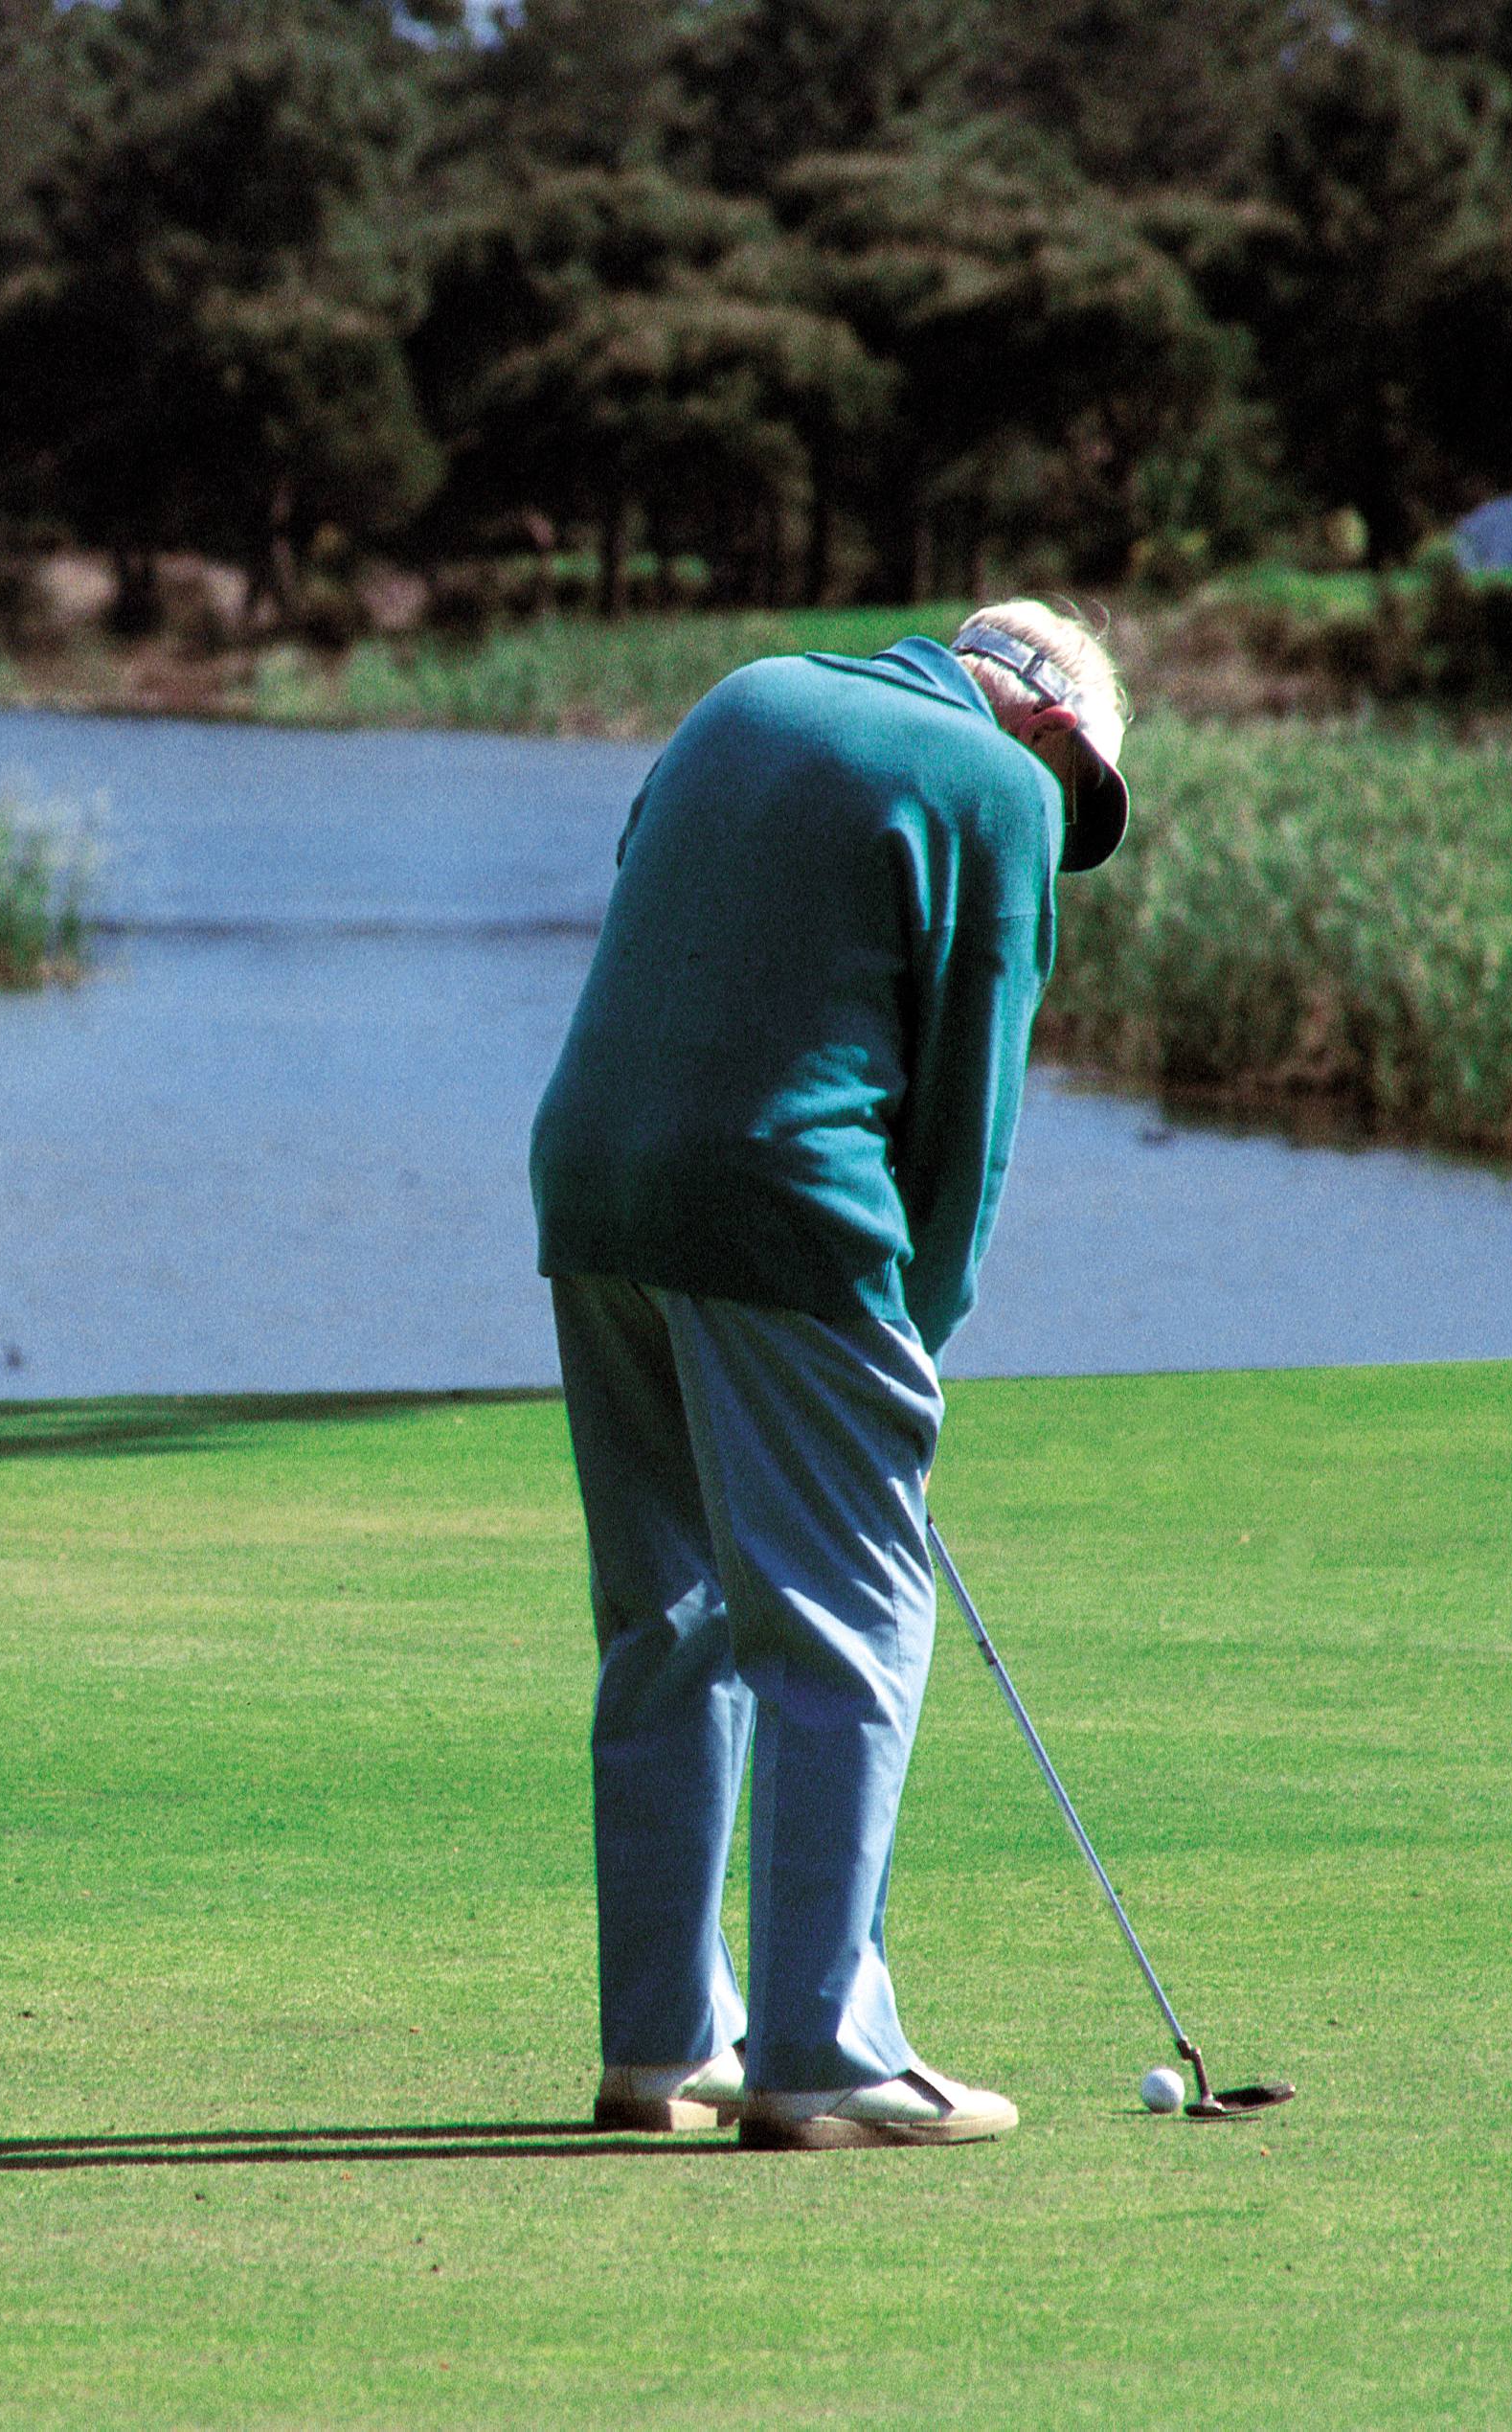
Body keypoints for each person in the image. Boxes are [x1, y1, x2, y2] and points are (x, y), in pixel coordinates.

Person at [527, 602, 1132, 2150]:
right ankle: (822, 2055)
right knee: (850, 1624)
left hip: (593, 1181)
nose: (1058, 829)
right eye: (1078, 798)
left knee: (670, 1616)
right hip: (785, 1199)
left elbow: (649, 923)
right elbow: (965, 1128)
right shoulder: (996, 791)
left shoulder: (745, 695)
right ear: (1051, 728)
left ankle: (664, 2046)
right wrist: (905, 1352)